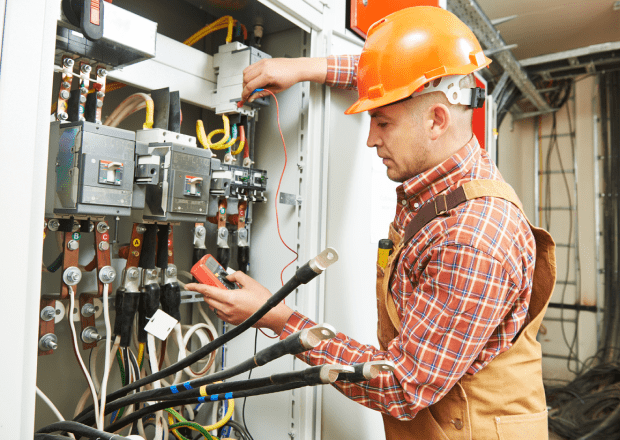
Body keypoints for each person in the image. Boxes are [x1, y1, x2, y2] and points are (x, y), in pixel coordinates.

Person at [186, 6, 556, 440]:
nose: (371, 138)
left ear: (436, 120)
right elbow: (390, 78)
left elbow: (402, 384)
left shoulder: (472, 237)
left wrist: (279, 319)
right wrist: (304, 67)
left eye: (382, 122)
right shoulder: (443, 175)